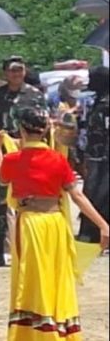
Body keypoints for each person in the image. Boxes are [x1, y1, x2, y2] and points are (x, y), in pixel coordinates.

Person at [0, 107, 109, 341]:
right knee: (56, 280)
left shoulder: (14, 159)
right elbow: (77, 195)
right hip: (55, 224)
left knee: (35, 282)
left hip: (31, 224)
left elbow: (1, 179)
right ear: (44, 129)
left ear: (21, 129)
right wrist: (103, 224)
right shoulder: (57, 160)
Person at [0, 55, 49, 267]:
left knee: (27, 200)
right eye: (12, 70)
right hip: (2, 152)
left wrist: (28, 139)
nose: (16, 74)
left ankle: (26, 249)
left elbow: (45, 122)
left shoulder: (35, 95)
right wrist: (1, 137)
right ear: (6, 73)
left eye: (20, 70)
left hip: (27, 153)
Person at [76, 66, 108, 244]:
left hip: (104, 158)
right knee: (92, 194)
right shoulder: (98, 101)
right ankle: (92, 231)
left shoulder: (106, 103)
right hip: (95, 156)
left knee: (100, 195)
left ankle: (95, 233)